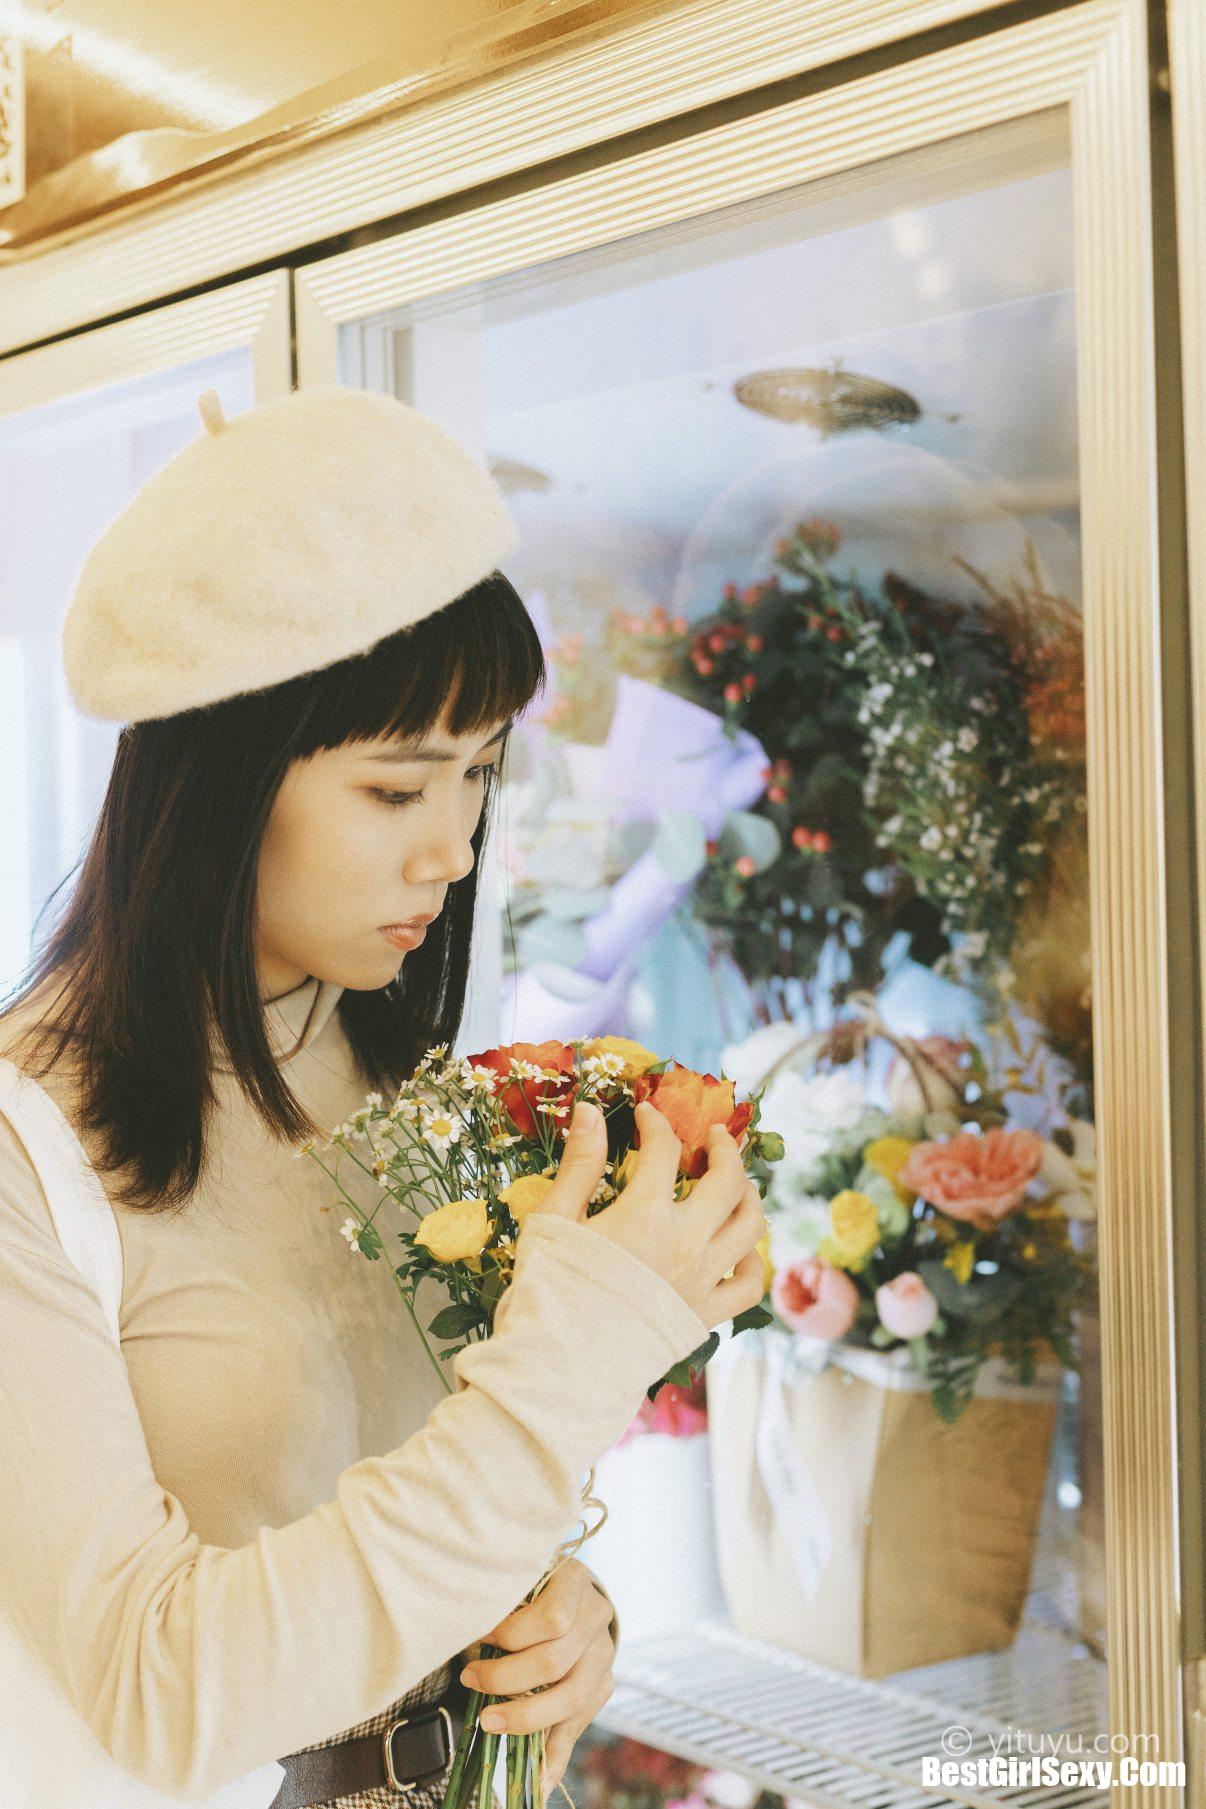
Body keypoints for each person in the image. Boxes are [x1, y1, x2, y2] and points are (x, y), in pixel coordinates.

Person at [0, 386, 768, 1809]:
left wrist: (559, 1619)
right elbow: (159, 1691)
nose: (454, 850)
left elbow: (436, 1501)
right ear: (220, 780)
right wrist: (578, 1349)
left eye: (479, 775)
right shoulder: (23, 1145)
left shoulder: (397, 1079)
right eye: (396, 790)